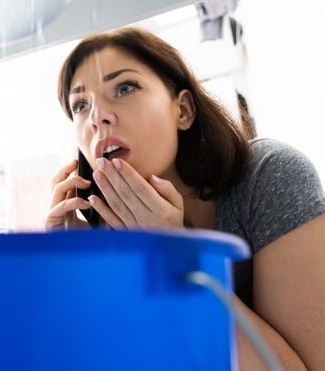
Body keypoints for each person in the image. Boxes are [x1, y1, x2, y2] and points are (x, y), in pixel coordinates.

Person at [46, 26, 325, 370]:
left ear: (183, 111)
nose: (96, 117)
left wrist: (180, 256)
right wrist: (77, 273)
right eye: (80, 105)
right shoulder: (104, 234)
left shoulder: (267, 176)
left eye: (124, 87)